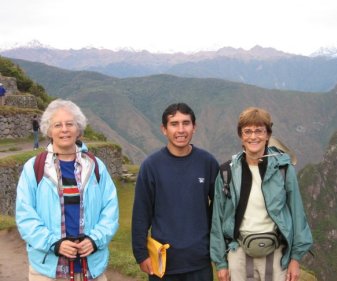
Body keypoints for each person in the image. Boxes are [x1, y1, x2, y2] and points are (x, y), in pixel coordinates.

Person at [16, 99, 119, 281]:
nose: (64, 129)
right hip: (48, 271)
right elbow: (25, 215)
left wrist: (95, 240)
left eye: (70, 124)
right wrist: (54, 243)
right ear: (48, 130)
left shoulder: (95, 166)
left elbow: (110, 210)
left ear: (78, 129)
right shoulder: (34, 168)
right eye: (57, 125)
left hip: (91, 268)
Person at [210, 107, 313, 281]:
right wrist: (221, 263)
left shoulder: (282, 169)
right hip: (239, 251)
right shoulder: (227, 172)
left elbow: (297, 212)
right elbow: (217, 220)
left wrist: (295, 259)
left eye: (259, 131)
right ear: (241, 136)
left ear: (267, 135)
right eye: (247, 131)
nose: (253, 136)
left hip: (275, 251)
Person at [132, 102, 219, 281]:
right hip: (163, 261)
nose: (181, 130)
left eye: (186, 123)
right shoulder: (151, 166)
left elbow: (219, 209)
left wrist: (212, 245)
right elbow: (141, 213)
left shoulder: (207, 163)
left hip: (200, 262)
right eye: (174, 124)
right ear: (164, 129)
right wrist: (141, 254)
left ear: (194, 127)